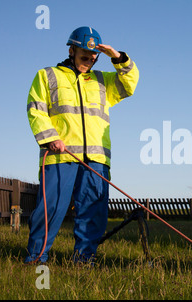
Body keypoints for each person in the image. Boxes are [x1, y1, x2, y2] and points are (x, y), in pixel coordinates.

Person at [25, 26, 139, 264]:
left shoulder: (102, 81)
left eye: (93, 57)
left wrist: (117, 57)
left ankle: (84, 259)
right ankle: (37, 257)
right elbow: (36, 109)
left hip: (96, 161)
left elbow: (129, 85)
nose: (89, 61)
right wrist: (49, 138)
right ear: (72, 50)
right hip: (59, 156)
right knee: (50, 210)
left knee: (93, 213)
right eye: (84, 56)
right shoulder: (47, 76)